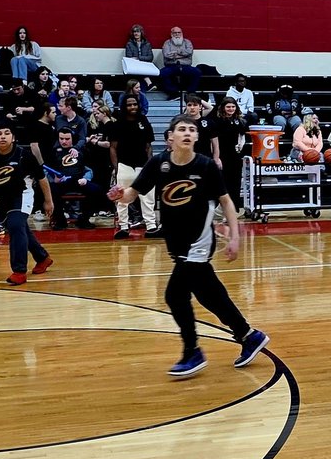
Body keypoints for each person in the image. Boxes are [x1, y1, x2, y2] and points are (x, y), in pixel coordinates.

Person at [108, 116, 268, 379]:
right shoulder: (158, 164)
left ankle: (192, 351)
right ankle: (248, 335)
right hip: (176, 240)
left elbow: (226, 202)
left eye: (192, 130)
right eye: (181, 129)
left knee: (174, 295)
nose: (187, 133)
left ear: (196, 138)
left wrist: (236, 237)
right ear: (170, 137)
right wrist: (119, 195)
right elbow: (131, 194)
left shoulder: (205, 166)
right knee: (208, 293)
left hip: (199, 240)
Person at [0, 119, 53, 284]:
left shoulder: (24, 155)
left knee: (15, 225)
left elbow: (42, 179)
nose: (3, 137)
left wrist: (48, 201)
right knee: (20, 229)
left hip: (21, 194)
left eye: (7, 133)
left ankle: (19, 271)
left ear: (13, 137)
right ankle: (42, 258)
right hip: (0, 198)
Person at [109, 94, 161, 240]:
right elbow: (113, 148)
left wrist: (150, 165)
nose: (132, 107)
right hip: (124, 165)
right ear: (124, 107)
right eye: (129, 105)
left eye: (134, 104)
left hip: (143, 165)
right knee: (121, 196)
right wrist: (116, 167)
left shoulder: (144, 121)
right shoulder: (118, 123)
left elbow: (148, 146)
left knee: (147, 197)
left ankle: (151, 226)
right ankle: (124, 227)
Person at [214, 97, 249, 207]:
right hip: (222, 154)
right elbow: (215, 140)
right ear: (223, 108)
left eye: (233, 106)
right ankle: (221, 207)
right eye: (228, 106)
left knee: (235, 181)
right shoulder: (218, 121)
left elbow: (242, 136)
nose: (231, 109)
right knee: (223, 181)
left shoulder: (239, 121)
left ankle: (235, 207)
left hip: (235, 155)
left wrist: (240, 147)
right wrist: (217, 156)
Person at [159, 26, 200, 97]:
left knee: (197, 72)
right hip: (171, 66)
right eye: (175, 33)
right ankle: (173, 93)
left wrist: (175, 53)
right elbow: (166, 55)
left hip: (186, 66)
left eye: (179, 32)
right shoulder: (167, 43)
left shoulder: (187, 42)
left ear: (182, 33)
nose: (177, 34)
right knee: (162, 73)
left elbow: (189, 52)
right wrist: (183, 55)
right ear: (171, 34)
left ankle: (191, 93)